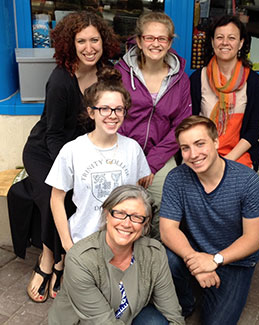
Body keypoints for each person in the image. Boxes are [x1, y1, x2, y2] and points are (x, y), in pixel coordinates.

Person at [22, 11, 119, 303]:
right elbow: (53, 134)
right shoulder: (61, 80)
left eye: (94, 40)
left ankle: (63, 257)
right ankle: (51, 258)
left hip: (84, 150)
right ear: (70, 44)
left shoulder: (108, 72)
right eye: (81, 41)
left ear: (104, 41)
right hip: (46, 150)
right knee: (57, 194)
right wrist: (71, 170)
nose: (89, 47)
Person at [45, 67, 150, 295]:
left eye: (118, 109)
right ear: (91, 112)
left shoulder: (132, 149)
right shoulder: (73, 150)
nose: (112, 115)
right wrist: (67, 245)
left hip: (121, 245)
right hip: (84, 243)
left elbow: (139, 194)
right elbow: (56, 198)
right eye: (104, 108)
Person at [159, 116, 259, 324]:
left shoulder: (247, 181)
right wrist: (195, 260)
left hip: (235, 260)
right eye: (185, 148)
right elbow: (167, 230)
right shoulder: (176, 178)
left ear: (216, 142)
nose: (193, 154)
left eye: (200, 144)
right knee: (165, 257)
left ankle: (207, 288)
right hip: (194, 252)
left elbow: (253, 239)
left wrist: (214, 260)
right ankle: (185, 301)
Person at [48, 185, 185, 325]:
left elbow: (172, 313)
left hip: (128, 316)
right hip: (87, 322)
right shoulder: (80, 259)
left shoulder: (154, 253)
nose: (126, 223)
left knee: (155, 322)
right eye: (119, 213)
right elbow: (102, 321)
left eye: (137, 217)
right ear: (107, 214)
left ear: (145, 223)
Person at [115, 11, 192, 239]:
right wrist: (135, 158)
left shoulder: (180, 79)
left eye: (162, 39)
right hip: (124, 150)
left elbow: (180, 125)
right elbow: (113, 117)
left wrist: (151, 163)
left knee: (163, 204)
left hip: (160, 154)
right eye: (149, 38)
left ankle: (154, 255)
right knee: (123, 205)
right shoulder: (120, 74)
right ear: (139, 41)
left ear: (169, 43)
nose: (155, 44)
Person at [190, 15, 259, 171]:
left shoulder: (253, 82)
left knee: (232, 188)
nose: (225, 42)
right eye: (219, 37)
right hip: (202, 154)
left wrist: (226, 161)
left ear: (241, 43)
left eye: (232, 38)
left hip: (238, 155)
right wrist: (206, 156)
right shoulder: (198, 79)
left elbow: (253, 131)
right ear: (212, 42)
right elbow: (190, 124)